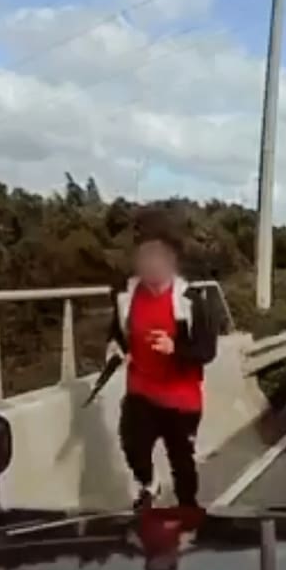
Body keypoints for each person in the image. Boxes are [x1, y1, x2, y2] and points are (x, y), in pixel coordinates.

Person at [107, 209, 222, 510]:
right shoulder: (125, 294)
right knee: (132, 444)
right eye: (144, 257)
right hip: (141, 390)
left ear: (170, 261)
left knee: (182, 462)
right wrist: (116, 347)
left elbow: (207, 351)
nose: (149, 264)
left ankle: (189, 511)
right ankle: (149, 484)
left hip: (181, 397)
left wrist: (176, 349)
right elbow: (117, 331)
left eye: (156, 257)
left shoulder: (191, 300)